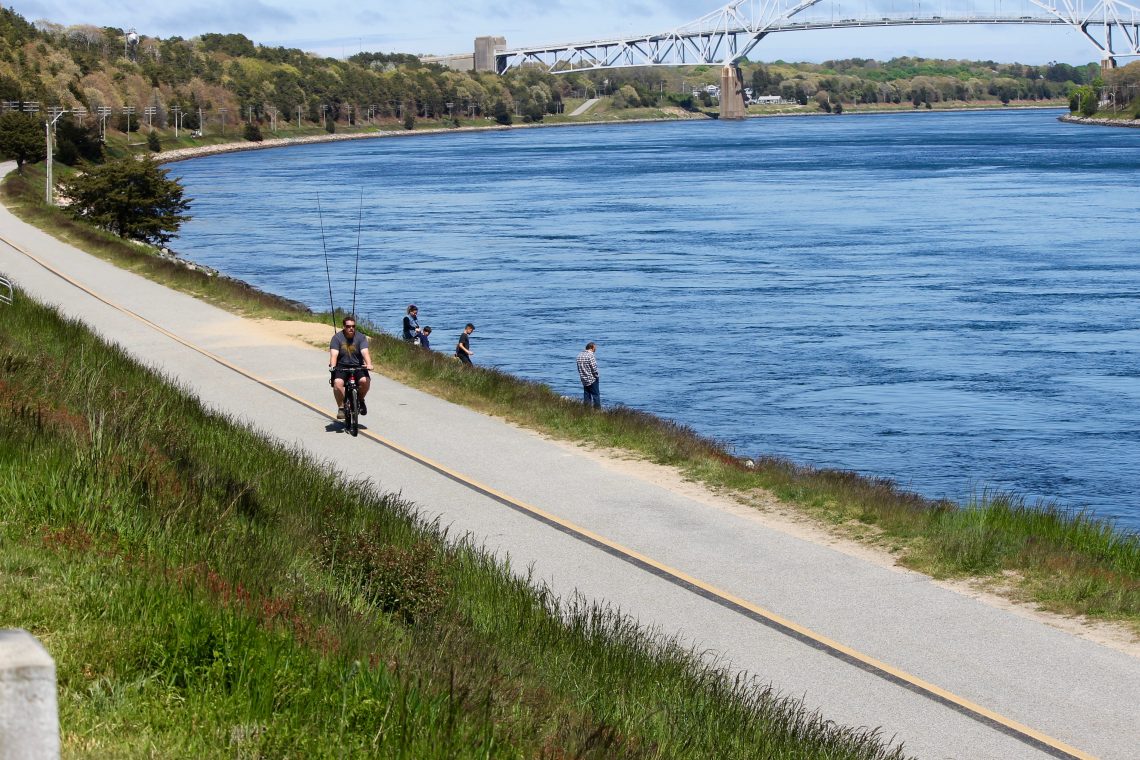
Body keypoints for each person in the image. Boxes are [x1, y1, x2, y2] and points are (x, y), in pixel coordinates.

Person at [328, 316, 373, 419]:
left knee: (365, 381)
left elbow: (365, 352)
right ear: (344, 327)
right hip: (341, 366)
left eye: (353, 326)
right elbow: (334, 355)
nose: (351, 328)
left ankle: (361, 400)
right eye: (348, 326)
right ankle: (341, 408)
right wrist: (333, 366)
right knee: (338, 383)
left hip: (358, 366)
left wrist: (369, 364)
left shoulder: (361, 337)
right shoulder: (337, 338)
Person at [576, 342, 601, 409]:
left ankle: (587, 410)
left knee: (586, 395)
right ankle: (597, 410)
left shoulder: (579, 355)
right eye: (595, 348)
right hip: (592, 378)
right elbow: (594, 368)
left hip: (583, 378)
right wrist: (597, 376)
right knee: (596, 395)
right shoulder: (591, 355)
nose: (595, 350)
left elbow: (578, 368)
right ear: (591, 348)